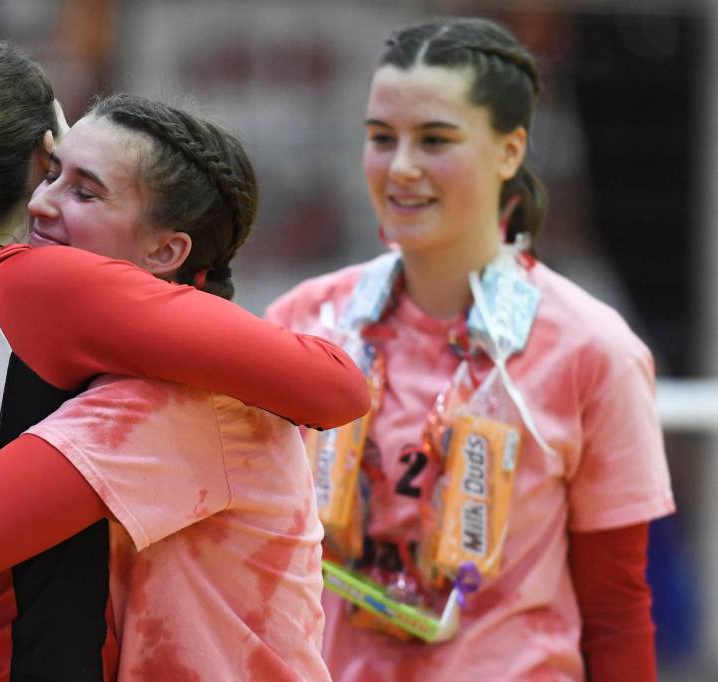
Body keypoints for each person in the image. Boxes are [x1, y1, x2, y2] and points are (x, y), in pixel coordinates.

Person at [0, 39, 362, 680]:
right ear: (39, 152)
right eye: (53, 174)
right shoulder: (33, 292)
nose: (48, 202)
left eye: (83, 190)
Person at [265, 17, 674, 682]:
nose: (401, 167)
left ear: (510, 151)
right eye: (380, 138)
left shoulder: (593, 350)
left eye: (434, 139)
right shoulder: (307, 320)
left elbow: (618, 610)